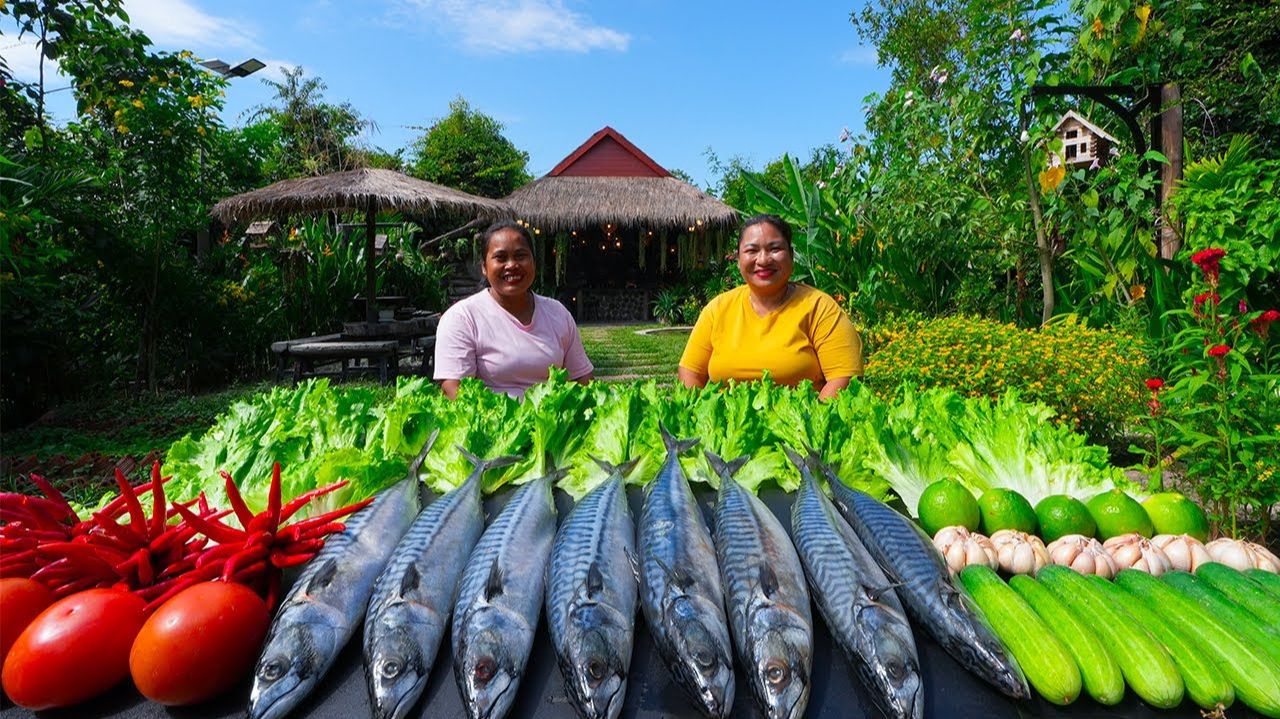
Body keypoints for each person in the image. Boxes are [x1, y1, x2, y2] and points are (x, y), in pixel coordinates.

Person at [677, 214, 862, 399]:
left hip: (803, 423)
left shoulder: (820, 308)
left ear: (791, 256)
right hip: (729, 425)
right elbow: (690, 372)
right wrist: (702, 415)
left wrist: (809, 422)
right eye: (752, 250)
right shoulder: (718, 309)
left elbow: (843, 378)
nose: (763, 260)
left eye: (774, 249)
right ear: (738, 259)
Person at [434, 220, 593, 399]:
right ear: (484, 267)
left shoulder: (558, 313)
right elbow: (455, 391)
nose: (512, 265)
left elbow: (583, 379)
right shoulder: (462, 318)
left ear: (534, 262)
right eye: (500, 258)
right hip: (489, 424)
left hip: (552, 424)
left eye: (520, 256)